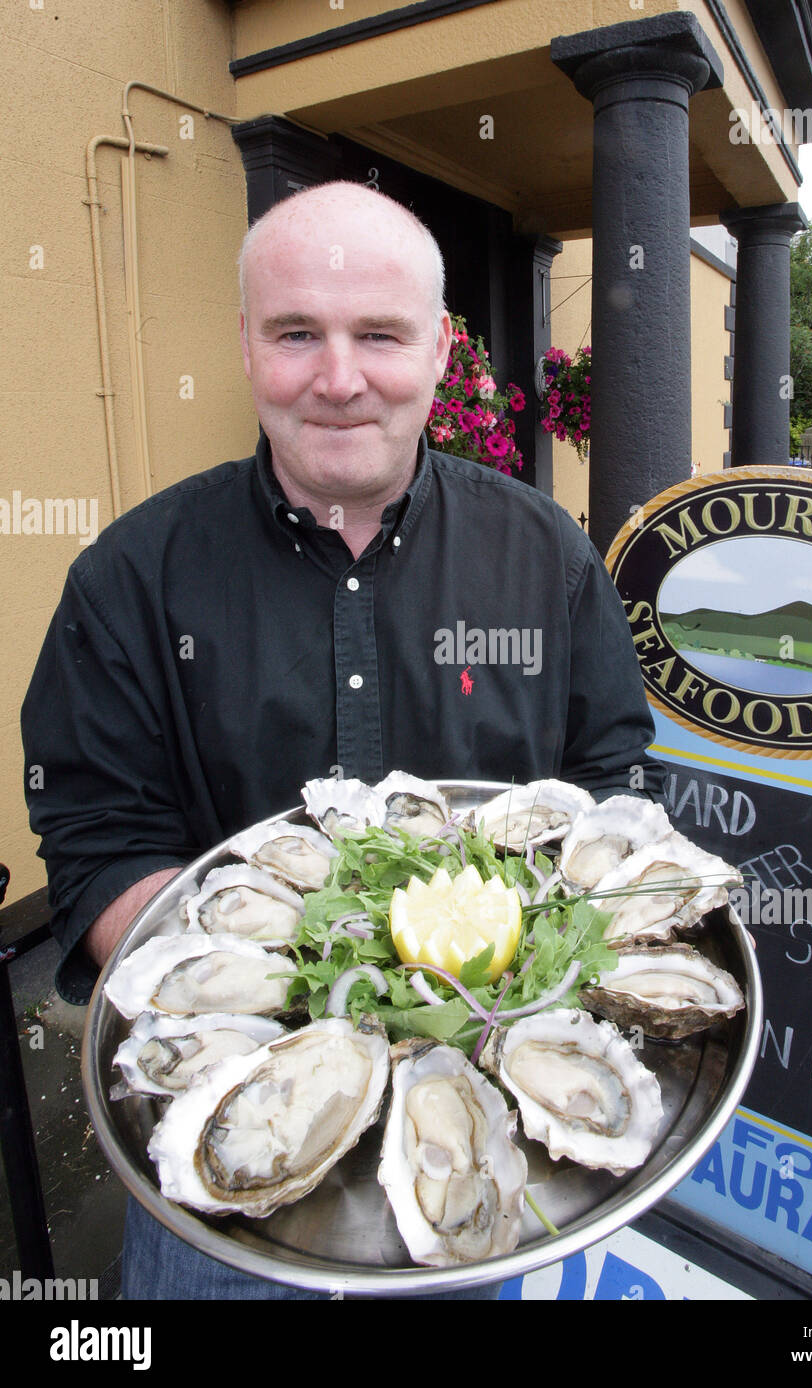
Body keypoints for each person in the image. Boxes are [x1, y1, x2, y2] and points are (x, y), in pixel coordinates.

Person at [22, 181, 666, 1298]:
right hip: (228, 1178)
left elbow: (608, 784)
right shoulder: (127, 580)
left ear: (440, 349)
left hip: (476, 1167)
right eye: (294, 334)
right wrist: (280, 987)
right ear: (242, 344)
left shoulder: (549, 556)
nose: (337, 377)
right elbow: (96, 844)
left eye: (379, 334)